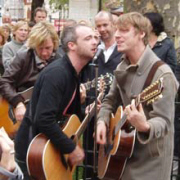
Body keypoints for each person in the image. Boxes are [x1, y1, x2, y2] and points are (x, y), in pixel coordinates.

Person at [96, 12, 178, 180]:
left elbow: (164, 121)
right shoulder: (123, 66)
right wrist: (102, 120)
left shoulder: (163, 74)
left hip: (150, 162)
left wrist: (145, 126)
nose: (117, 35)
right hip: (124, 152)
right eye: (117, 30)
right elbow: (109, 100)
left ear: (141, 34)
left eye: (124, 30)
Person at [15, 24, 98, 179]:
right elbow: (44, 119)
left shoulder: (74, 73)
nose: (95, 42)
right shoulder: (58, 73)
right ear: (71, 45)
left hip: (48, 147)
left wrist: (83, 107)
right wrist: (71, 148)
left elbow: (67, 117)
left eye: (95, 37)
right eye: (88, 38)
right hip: (34, 151)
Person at [80, 10, 122, 179]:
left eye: (105, 25)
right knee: (91, 159)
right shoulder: (94, 52)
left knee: (111, 159)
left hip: (114, 114)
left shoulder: (122, 50)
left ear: (113, 25)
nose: (102, 29)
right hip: (91, 112)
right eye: (98, 26)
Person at [0, 21, 60, 122]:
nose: (44, 53)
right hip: (20, 115)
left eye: (48, 48)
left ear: (54, 44)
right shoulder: (23, 56)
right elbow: (5, 82)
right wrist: (18, 103)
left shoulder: (60, 60)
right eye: (40, 48)